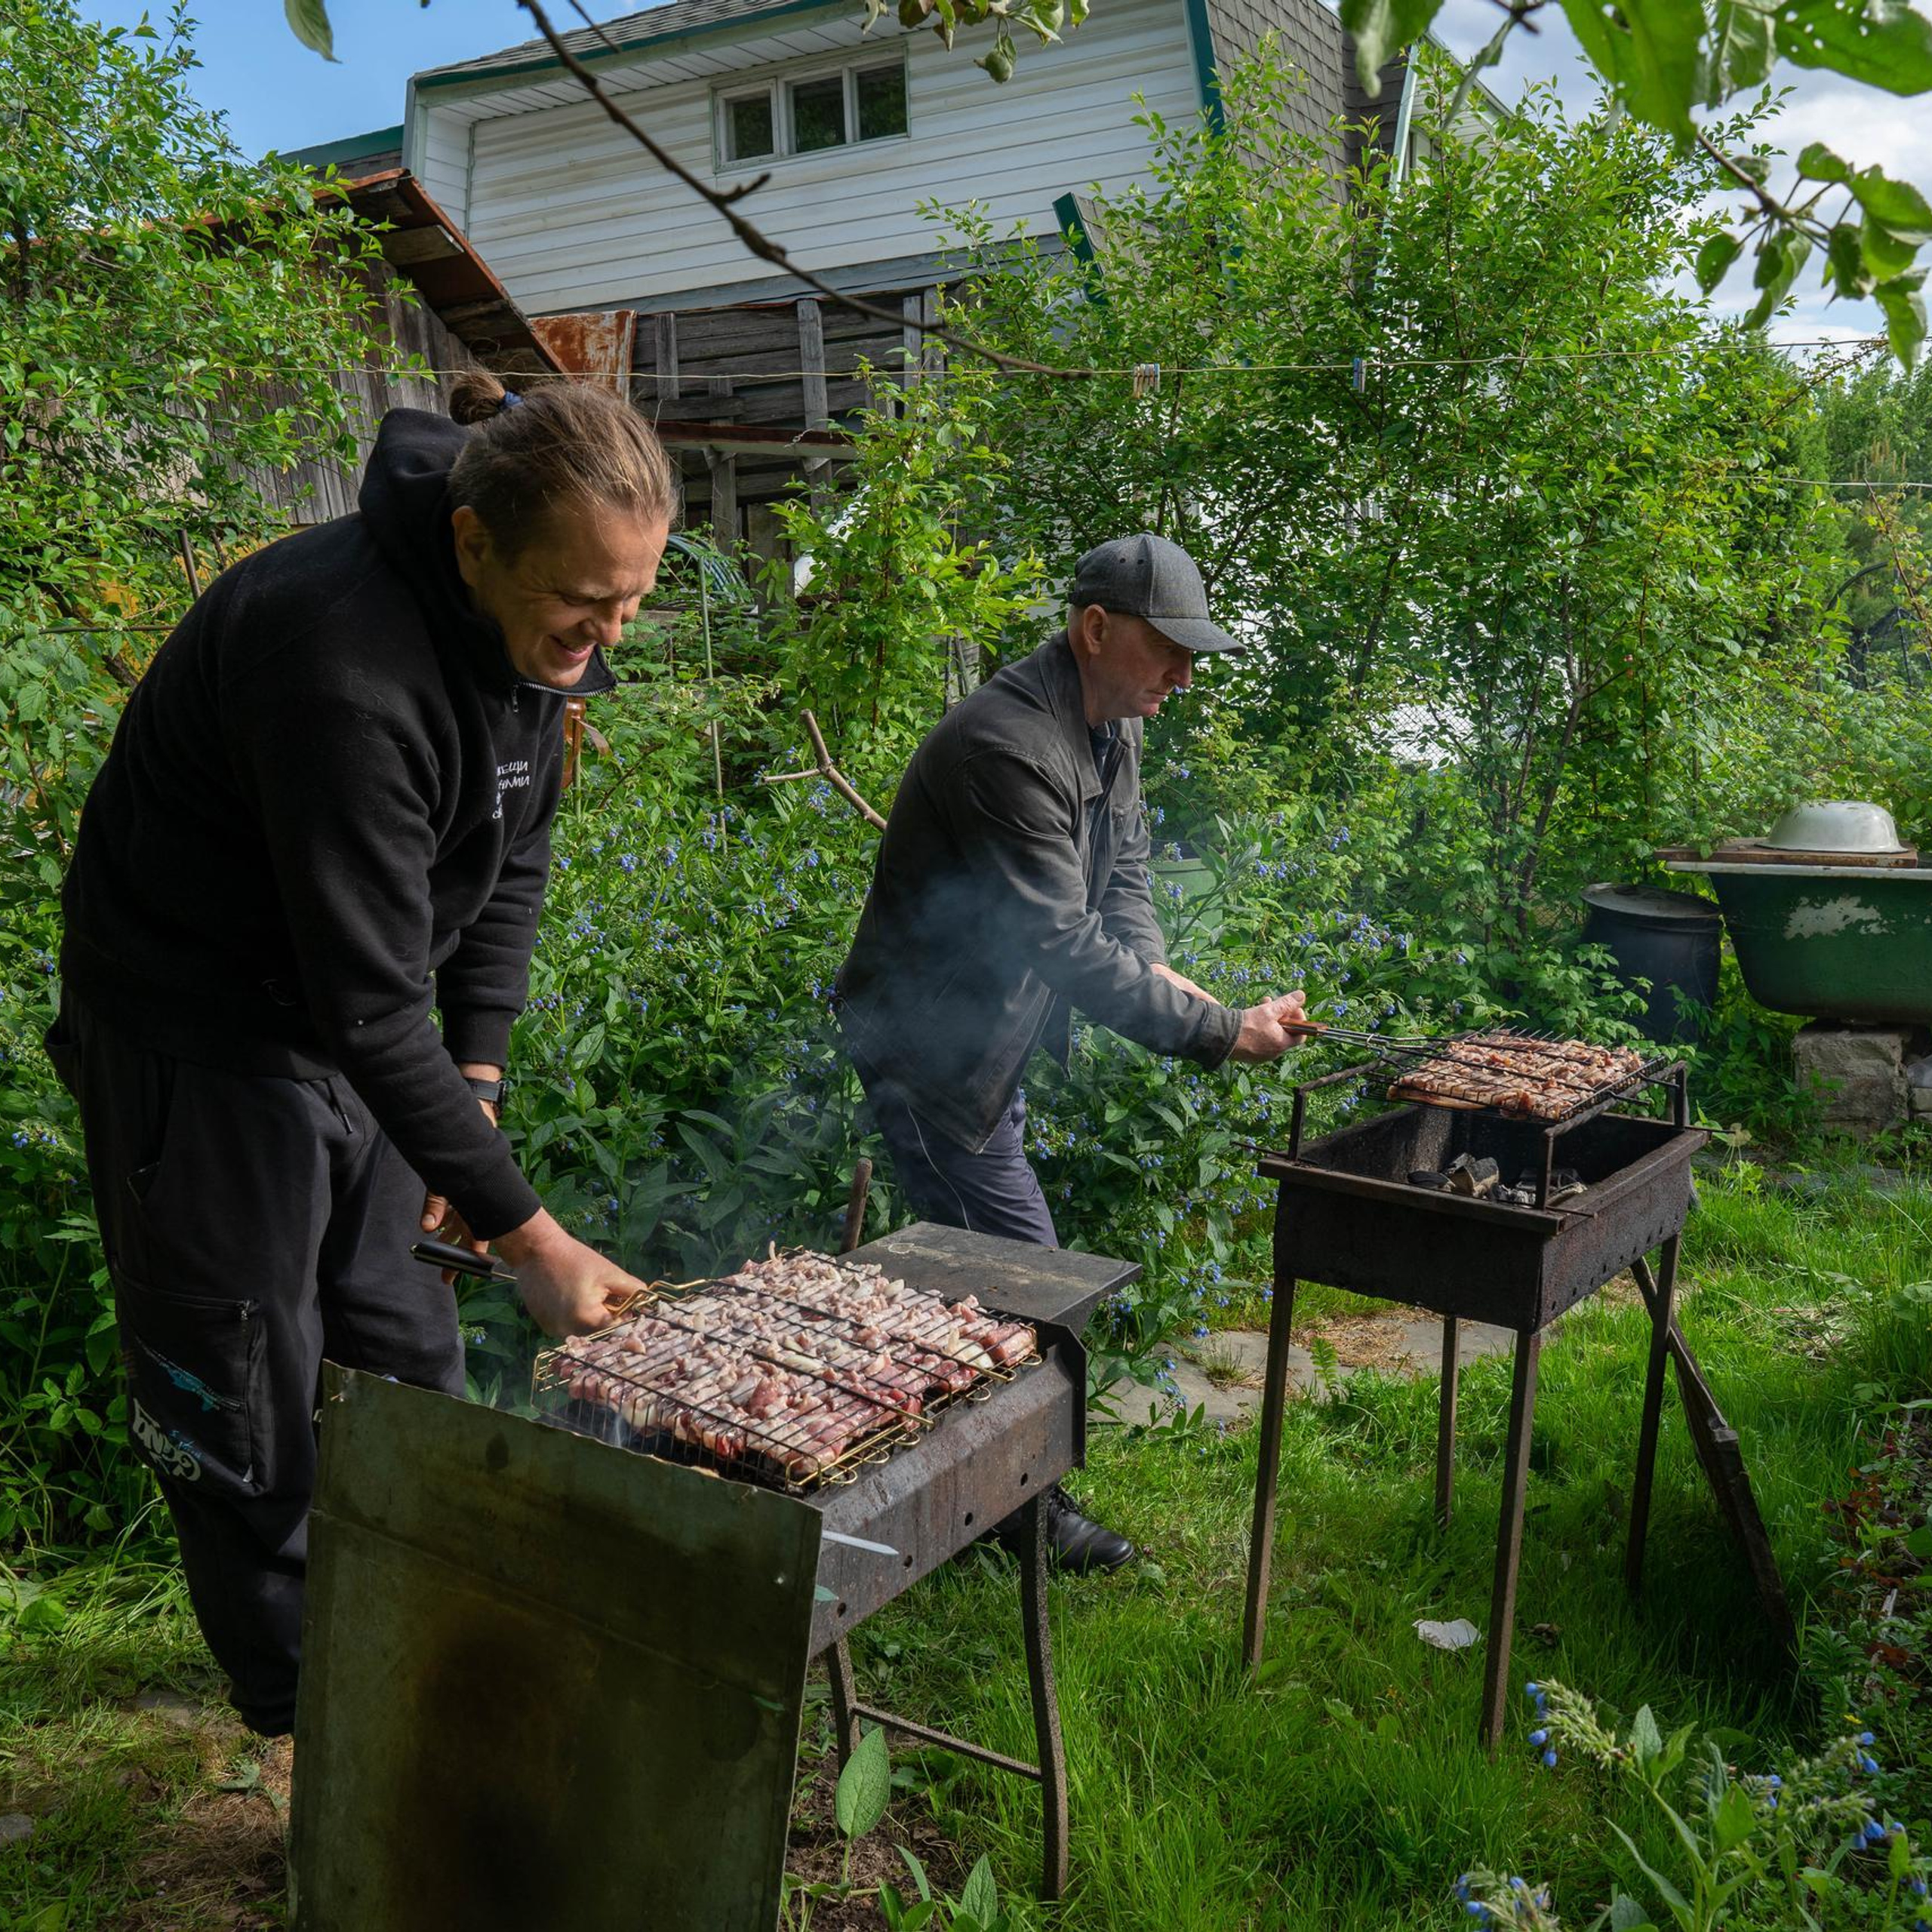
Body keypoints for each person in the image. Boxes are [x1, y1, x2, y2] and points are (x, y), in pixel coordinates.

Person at [48, 371, 671, 1736]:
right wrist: (530, 1236)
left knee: (401, 1349)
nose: (608, 633)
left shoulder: (538, 620)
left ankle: (411, 1648)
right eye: (587, 605)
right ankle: (308, 1725)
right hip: (200, 1041)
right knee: (246, 1397)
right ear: (472, 543)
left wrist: (482, 1089)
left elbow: (513, 854)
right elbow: (375, 1008)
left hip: (350, 1021)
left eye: (632, 603)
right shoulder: (337, 661)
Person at [837, 532, 1310, 1572]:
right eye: (1168, 650)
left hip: (987, 1040)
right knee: (1026, 1280)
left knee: (968, 1282)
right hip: (931, 1051)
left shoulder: (1108, 724)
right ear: (1095, 629)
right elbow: (1062, 944)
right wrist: (1221, 1033)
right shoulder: (1008, 748)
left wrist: (1172, 978)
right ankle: (1016, 1516)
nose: (1185, 677)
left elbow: (1123, 880)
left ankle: (934, 1482)